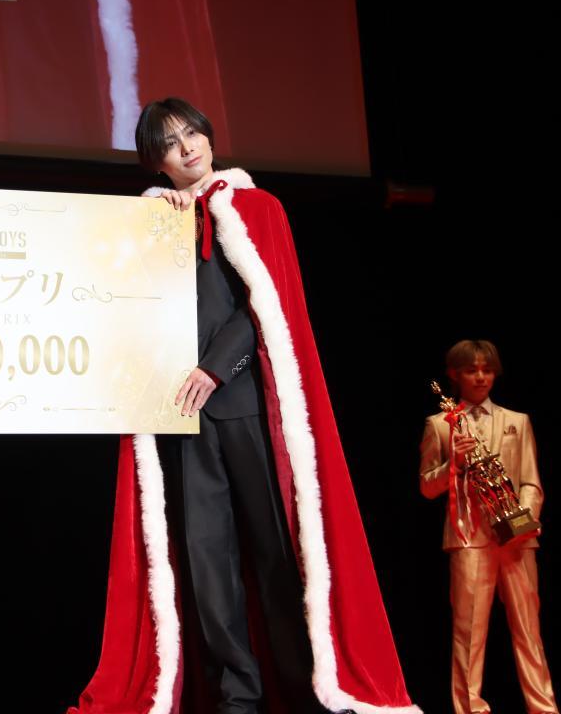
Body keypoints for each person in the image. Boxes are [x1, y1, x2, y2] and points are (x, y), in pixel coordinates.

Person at [71, 98, 418, 714]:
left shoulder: (255, 207)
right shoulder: (150, 223)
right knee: (207, 563)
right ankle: (238, 696)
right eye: (170, 143)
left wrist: (214, 368)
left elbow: (265, 301)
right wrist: (159, 229)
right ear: (155, 162)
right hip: (178, 416)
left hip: (247, 407)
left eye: (192, 133)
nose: (187, 147)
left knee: (278, 553)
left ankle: (304, 687)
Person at [419, 340, 558, 714]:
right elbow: (427, 486)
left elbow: (531, 481)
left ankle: (543, 707)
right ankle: (470, 709)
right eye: (471, 370)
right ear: (455, 375)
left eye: (486, 369)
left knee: (529, 630)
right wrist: (453, 465)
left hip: (517, 539)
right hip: (469, 540)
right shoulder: (439, 425)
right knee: (469, 635)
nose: (480, 377)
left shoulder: (518, 421)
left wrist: (521, 520)